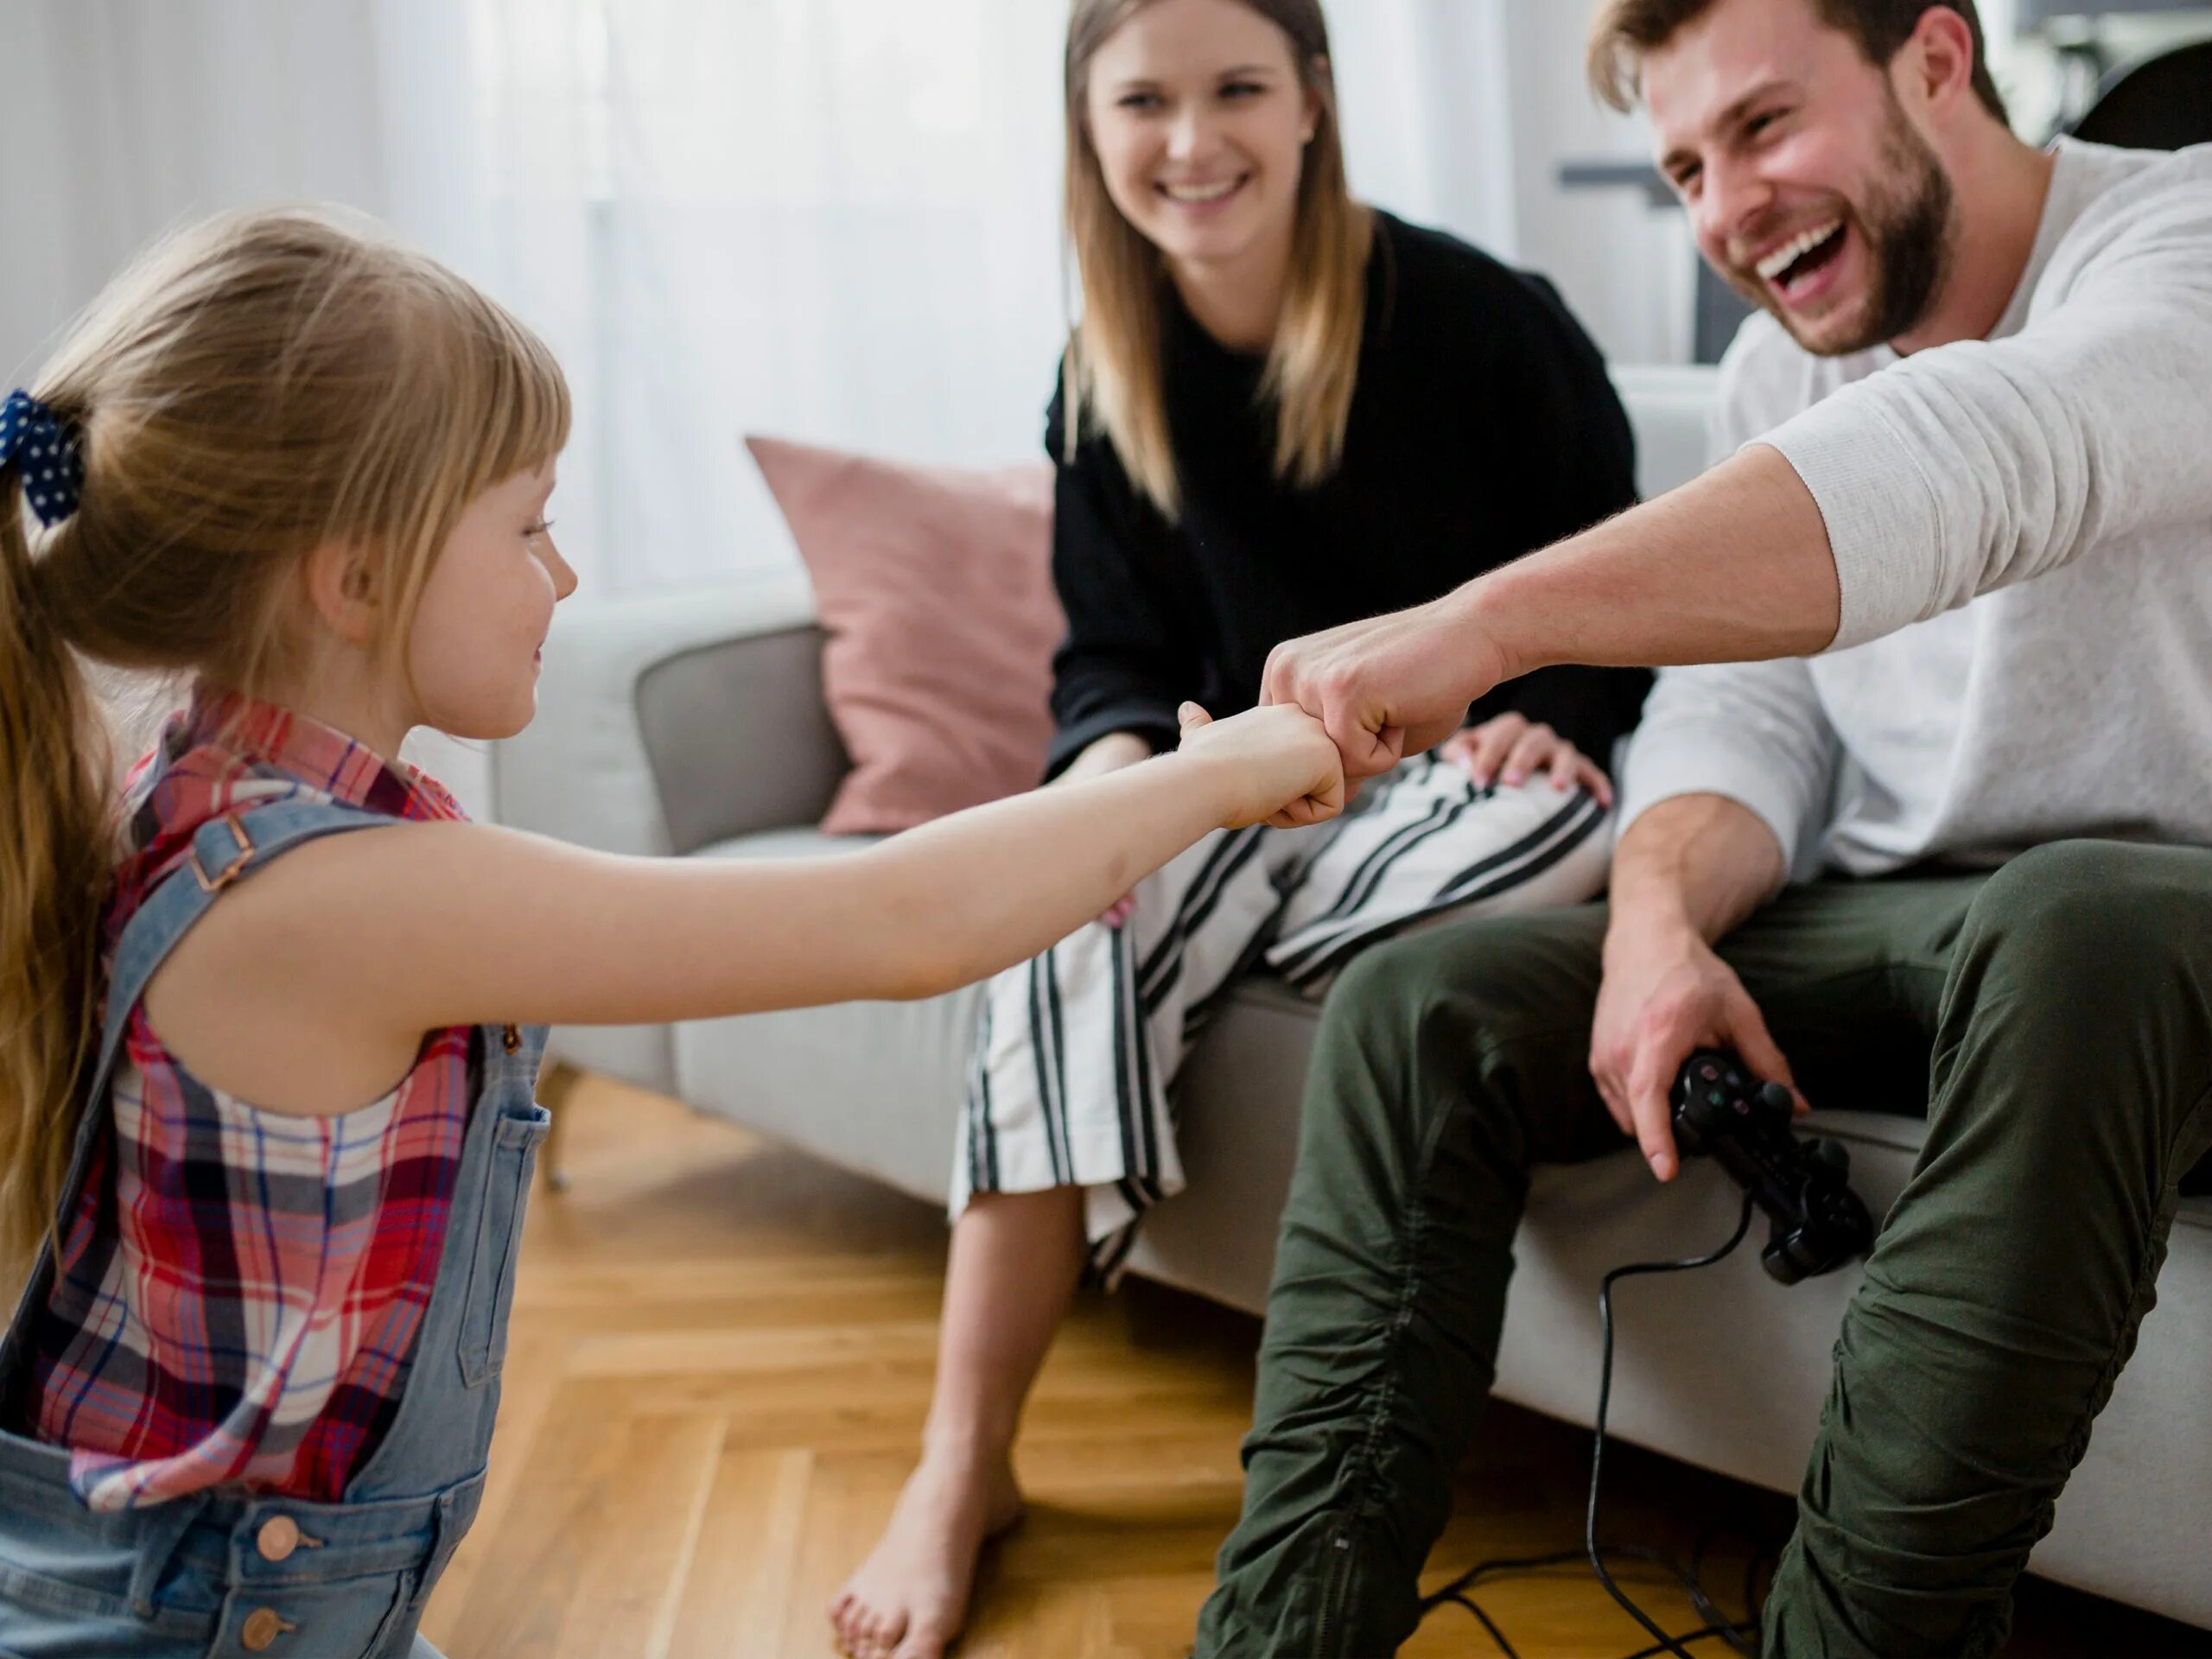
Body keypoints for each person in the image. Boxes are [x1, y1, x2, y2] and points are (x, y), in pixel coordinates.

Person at [0, 207, 1344, 1659]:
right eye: (530, 525)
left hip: (236, 1587)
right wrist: (1220, 770)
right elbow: (902, 921)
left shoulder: (208, 802)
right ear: (358, 573)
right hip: (201, 1624)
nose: (564, 577)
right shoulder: (329, 897)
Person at [1197, 0, 2212, 1651]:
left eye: (1763, 127)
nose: (1727, 207)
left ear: (1937, 61)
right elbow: (1748, 721)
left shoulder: (2180, 238)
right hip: (1920, 925)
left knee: (2078, 915)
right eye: (1685, 164)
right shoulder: (1773, 371)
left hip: (2153, 934)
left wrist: (1488, 625)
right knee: (1418, 1004)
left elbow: (2000, 450)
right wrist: (1658, 929)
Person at [830, 2, 1652, 1655]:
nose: (1190, 141)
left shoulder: (1486, 320)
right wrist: (1105, 793)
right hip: (1228, 776)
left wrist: (1545, 715)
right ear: (1089, 122)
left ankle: (1187, 974)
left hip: (1456, 790)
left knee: (1515, 846)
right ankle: (960, 1465)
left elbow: (1623, 596)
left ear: (1313, 106)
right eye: (1144, 99)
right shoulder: (1100, 371)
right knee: (1061, 928)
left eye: (1235, 92)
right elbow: (1114, 660)